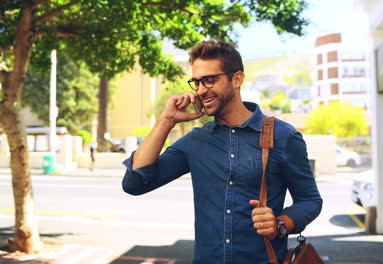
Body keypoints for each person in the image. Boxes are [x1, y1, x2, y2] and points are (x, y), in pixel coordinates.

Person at [122, 40, 322, 263]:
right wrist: (166, 120)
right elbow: (134, 184)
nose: (200, 91)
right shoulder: (196, 141)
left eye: (209, 80)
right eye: (196, 83)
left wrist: (280, 224)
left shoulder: (283, 137)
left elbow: (310, 200)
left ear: (236, 79)